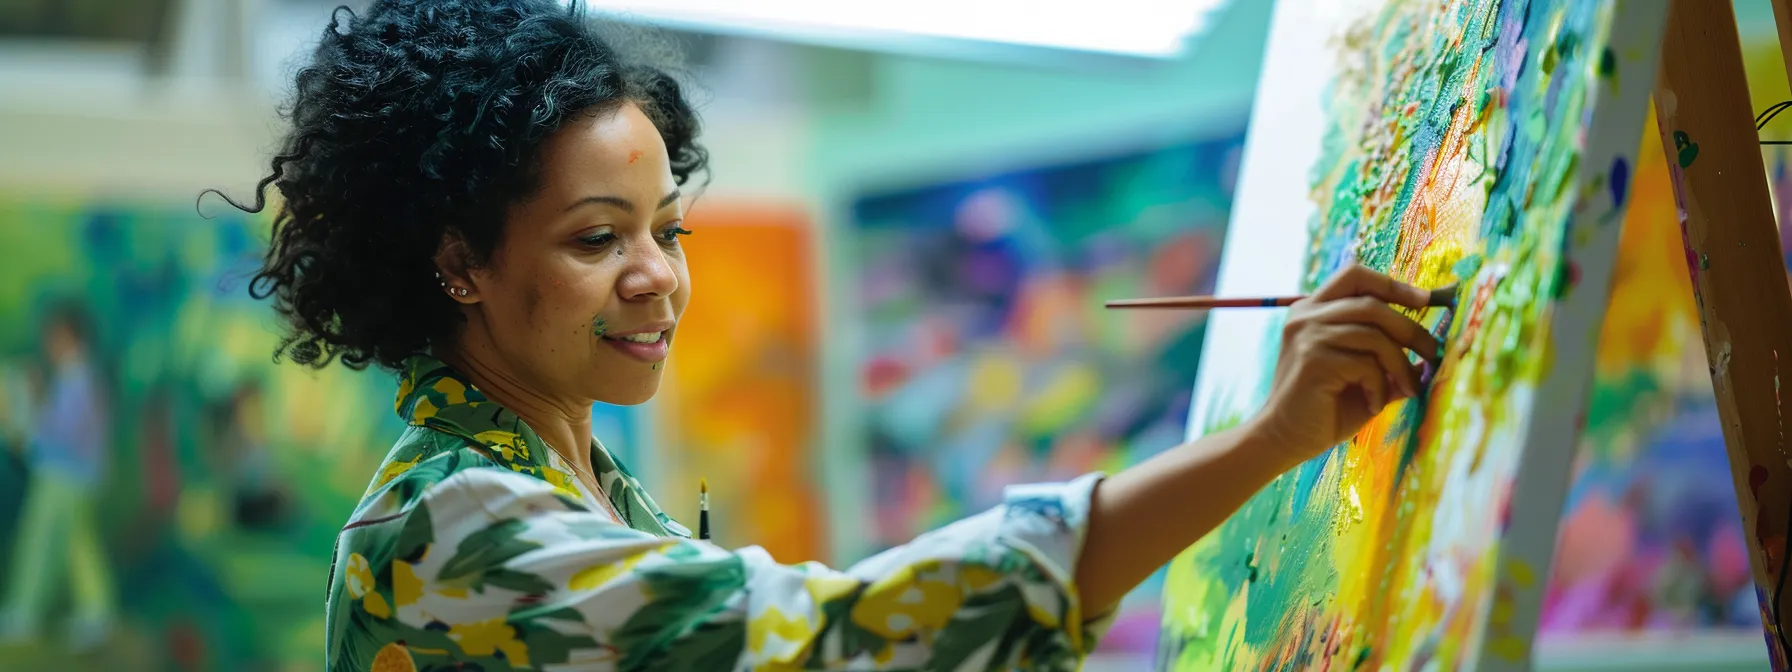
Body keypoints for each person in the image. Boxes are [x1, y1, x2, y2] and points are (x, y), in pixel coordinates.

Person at [231, 1, 1441, 669]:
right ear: (457, 265)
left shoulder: (583, 494)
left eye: (669, 227)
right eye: (598, 240)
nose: (656, 278)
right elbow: (837, 643)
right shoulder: (453, 528)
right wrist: (1266, 442)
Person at [0, 304, 116, 650]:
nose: (48, 344)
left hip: (64, 476)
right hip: (75, 476)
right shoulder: (79, 377)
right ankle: (97, 614)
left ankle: (24, 613)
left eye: (53, 336)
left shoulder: (77, 378)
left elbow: (63, 435)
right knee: (78, 548)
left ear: (68, 336)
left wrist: (25, 414)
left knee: (39, 542)